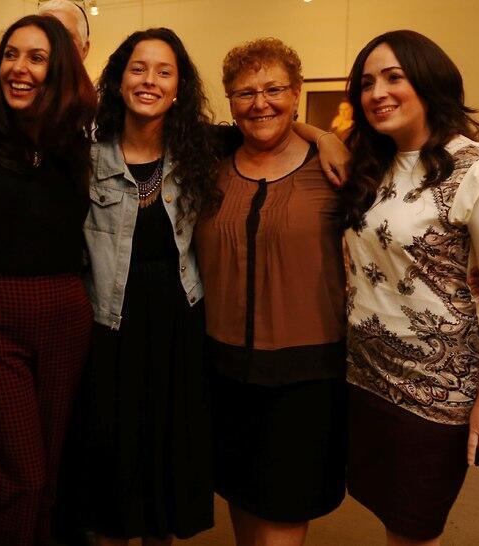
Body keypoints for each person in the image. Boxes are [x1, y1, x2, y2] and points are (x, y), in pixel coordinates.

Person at [61, 30, 349, 546]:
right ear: (119, 77)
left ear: (179, 88)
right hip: (111, 328)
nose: (149, 80)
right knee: (107, 465)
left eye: (164, 71)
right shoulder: (86, 154)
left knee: (165, 465)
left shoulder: (200, 147)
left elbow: (266, 120)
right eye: (138, 68)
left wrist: (323, 136)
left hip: (181, 328)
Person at [340, 30, 479, 545]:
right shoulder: (370, 163)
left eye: (394, 77)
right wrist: (319, 135)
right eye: (368, 83)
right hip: (364, 373)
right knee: (386, 511)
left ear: (429, 80)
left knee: (415, 528)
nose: (378, 92)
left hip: (435, 389)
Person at [0, 14, 96, 546]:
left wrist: (319, 137)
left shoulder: (81, 140)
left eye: (36, 57)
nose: (19, 68)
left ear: (61, 71)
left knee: (48, 473)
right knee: (19, 475)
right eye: (11, 54)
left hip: (64, 312)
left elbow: (192, 128)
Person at [195, 37, 347, 546]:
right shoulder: (210, 162)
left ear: (297, 92)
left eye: (274, 89)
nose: (260, 103)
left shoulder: (334, 170)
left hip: (305, 372)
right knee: (242, 492)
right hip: (224, 367)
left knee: (284, 507)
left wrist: (320, 135)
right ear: (230, 102)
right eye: (244, 93)